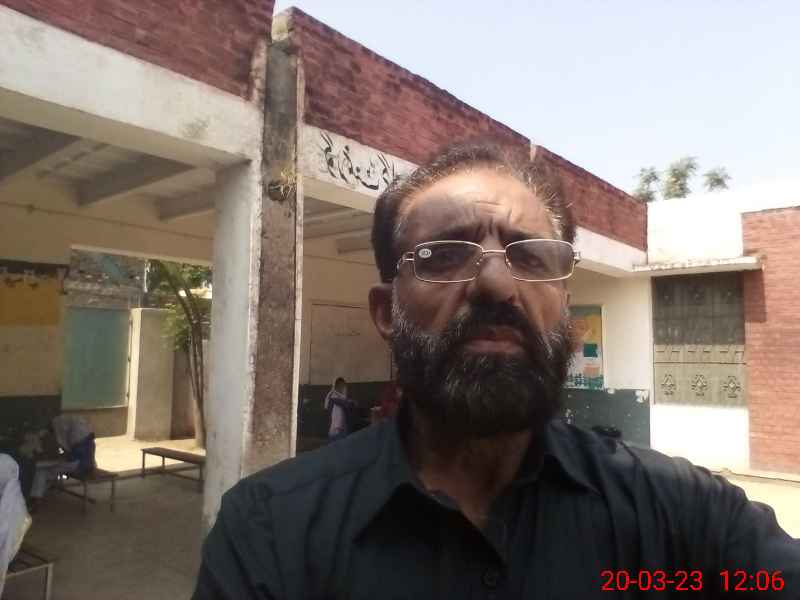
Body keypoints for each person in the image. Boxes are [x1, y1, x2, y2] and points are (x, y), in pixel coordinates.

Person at [193, 141, 800, 599]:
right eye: (444, 255)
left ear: (566, 306)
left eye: (532, 256)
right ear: (386, 312)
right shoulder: (271, 532)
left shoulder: (679, 513)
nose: (497, 283)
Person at [323, 377, 356, 442]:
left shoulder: (337, 396)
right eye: (343, 387)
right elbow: (346, 404)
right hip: (336, 431)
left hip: (339, 430)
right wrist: (351, 401)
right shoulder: (333, 395)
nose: (344, 389)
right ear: (339, 386)